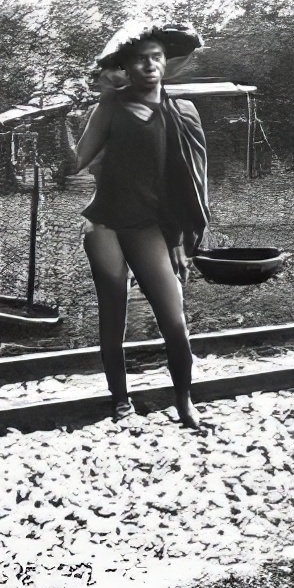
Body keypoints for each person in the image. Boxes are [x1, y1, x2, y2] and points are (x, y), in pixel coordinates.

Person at [66, 22, 209, 428]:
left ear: (166, 63)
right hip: (106, 224)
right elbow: (78, 162)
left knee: (174, 320)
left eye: (156, 57)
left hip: (148, 226)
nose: (149, 64)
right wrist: (101, 113)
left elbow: (192, 183)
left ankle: (184, 403)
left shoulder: (182, 112)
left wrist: (180, 237)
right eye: (139, 59)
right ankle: (121, 401)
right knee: (114, 317)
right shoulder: (109, 107)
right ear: (126, 67)